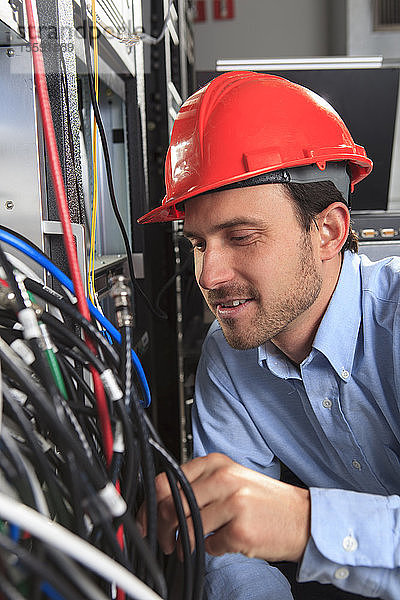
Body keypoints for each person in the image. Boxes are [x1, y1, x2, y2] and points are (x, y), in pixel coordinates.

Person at [138, 71, 400, 599]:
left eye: (241, 237)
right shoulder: (229, 357)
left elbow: (272, 525)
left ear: (328, 231)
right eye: (197, 243)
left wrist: (304, 524)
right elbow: (231, 549)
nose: (208, 276)